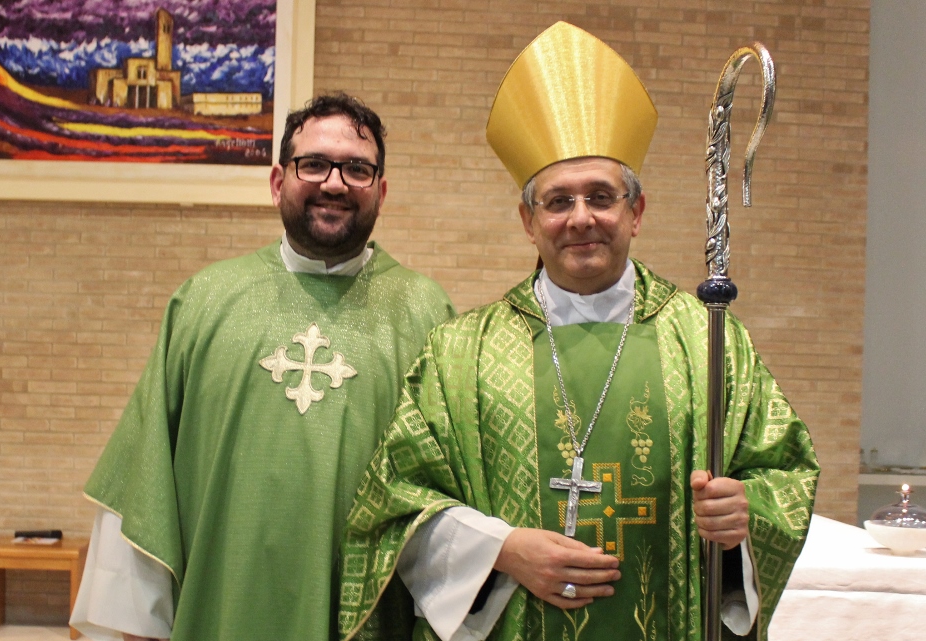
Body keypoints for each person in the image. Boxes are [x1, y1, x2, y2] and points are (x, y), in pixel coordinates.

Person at [338, 22, 819, 641]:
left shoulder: (708, 341)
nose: (581, 218)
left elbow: (786, 472)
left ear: (636, 212)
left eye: (601, 197)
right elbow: (393, 504)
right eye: (559, 201)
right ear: (527, 220)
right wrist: (502, 550)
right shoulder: (460, 354)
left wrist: (745, 517)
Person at [69, 92, 455, 641]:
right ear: (278, 182)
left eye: (357, 169)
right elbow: (147, 474)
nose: (335, 183)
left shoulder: (427, 314)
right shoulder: (203, 302)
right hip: (221, 614)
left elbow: (448, 495)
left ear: (381, 191)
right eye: (313, 164)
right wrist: (136, 623)